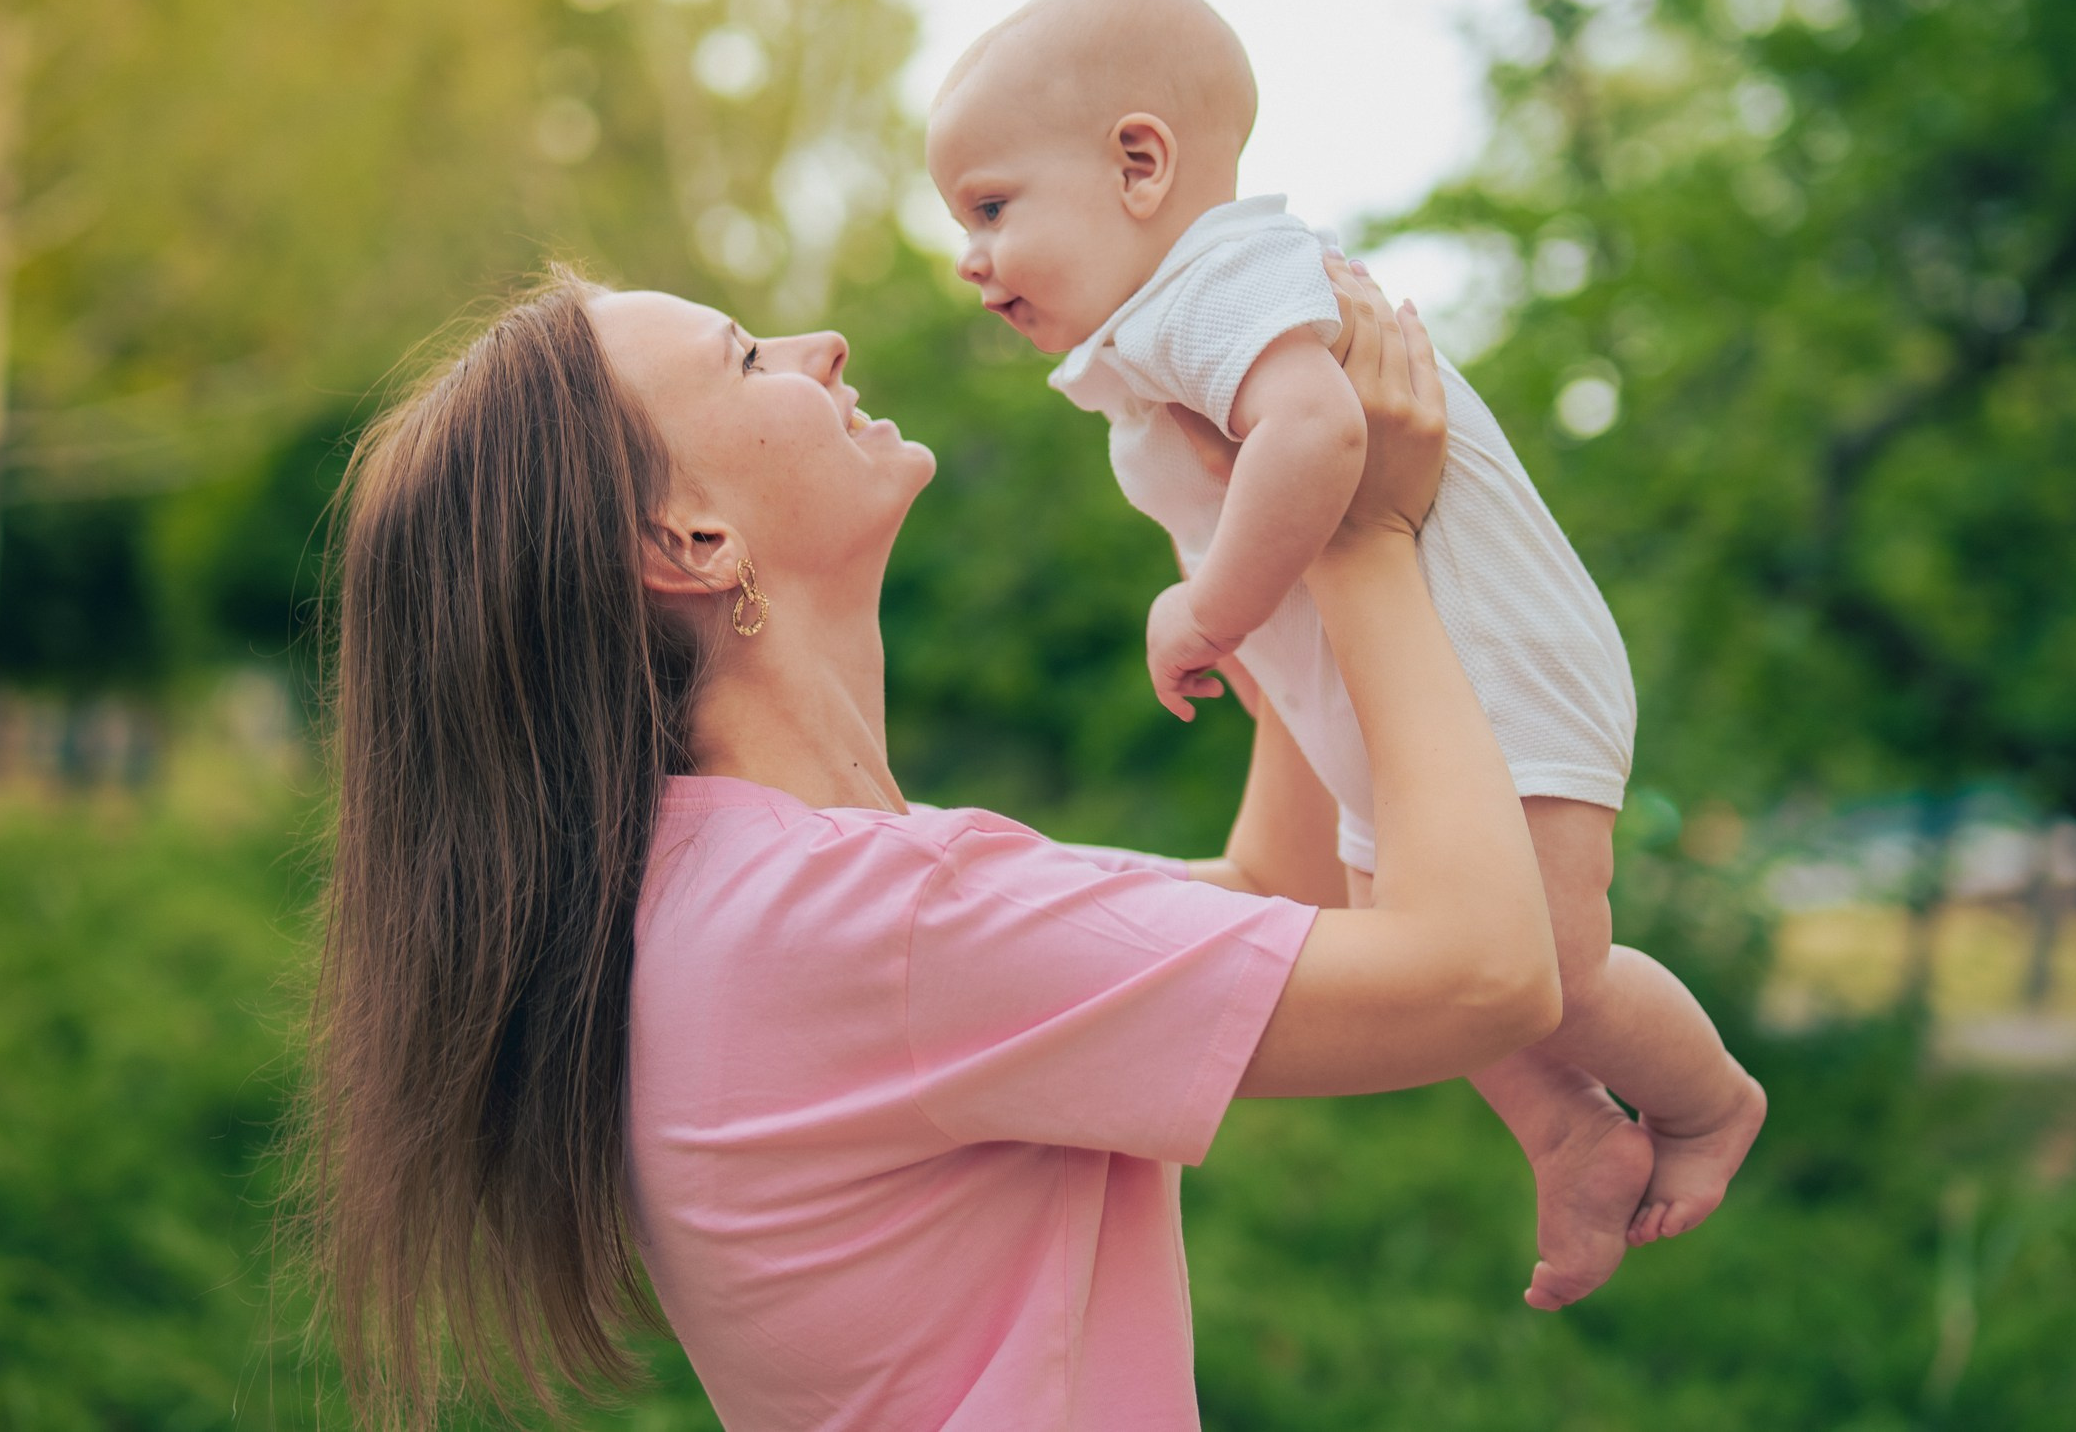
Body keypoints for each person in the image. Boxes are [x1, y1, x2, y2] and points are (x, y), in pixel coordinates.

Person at [306, 259, 1562, 1430]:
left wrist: (1259, 543)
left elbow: (1271, 900)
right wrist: (1365, 545)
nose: (825, 345)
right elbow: (1485, 974)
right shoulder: (863, 918)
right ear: (689, 540)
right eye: (749, 359)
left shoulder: (762, 897)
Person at [922, 0, 1766, 1310]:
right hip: (1401, 699)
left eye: (991, 207)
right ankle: (1570, 1132)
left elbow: (1317, 435)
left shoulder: (1217, 279)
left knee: (1542, 953)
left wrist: (1209, 609)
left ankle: (1710, 1099)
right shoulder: (1158, 334)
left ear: (1141, 162)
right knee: (1420, 945)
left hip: (1496, 661)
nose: (969, 254)